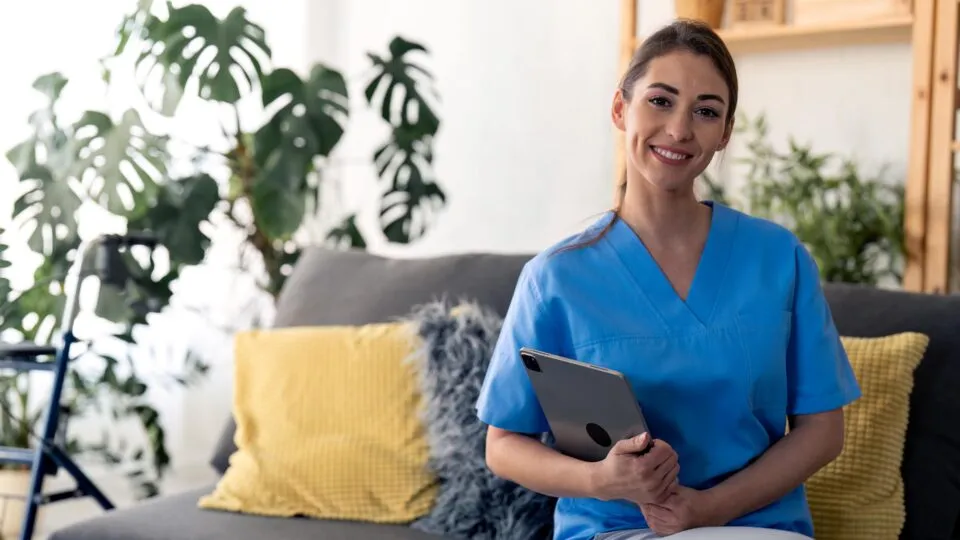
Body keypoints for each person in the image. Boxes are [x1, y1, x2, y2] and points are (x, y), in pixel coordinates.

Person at [475, 18, 862, 540]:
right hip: (615, 531)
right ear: (620, 109)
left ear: (724, 133)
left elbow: (822, 431)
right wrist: (601, 480)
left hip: (753, 530)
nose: (680, 129)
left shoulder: (778, 258)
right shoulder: (555, 278)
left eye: (706, 111)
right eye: (661, 101)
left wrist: (710, 509)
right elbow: (502, 445)